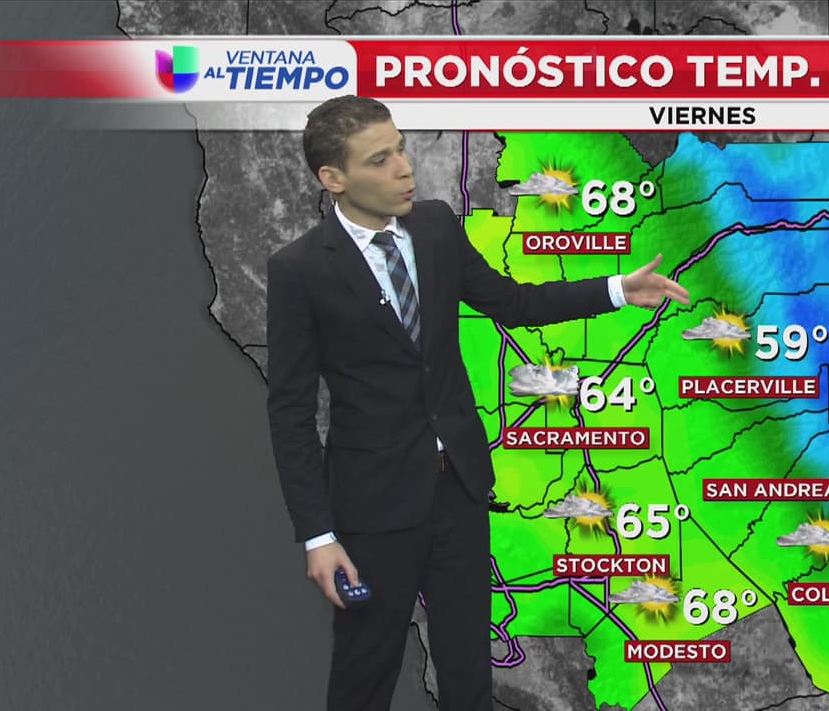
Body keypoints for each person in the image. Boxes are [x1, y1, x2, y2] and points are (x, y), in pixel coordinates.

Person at [265, 94, 690, 711]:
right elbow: (291, 413)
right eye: (380, 161)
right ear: (334, 178)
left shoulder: (436, 227)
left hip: (459, 492)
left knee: (468, 676)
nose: (404, 169)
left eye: (401, 150)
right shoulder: (301, 270)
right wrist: (317, 535)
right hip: (373, 507)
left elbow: (514, 304)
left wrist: (617, 290)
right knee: (365, 676)